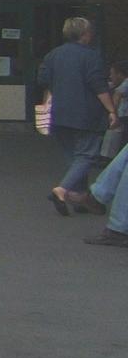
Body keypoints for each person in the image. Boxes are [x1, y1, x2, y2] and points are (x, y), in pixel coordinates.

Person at [38, 16, 114, 216]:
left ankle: (80, 198)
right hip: (86, 114)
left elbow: (44, 81)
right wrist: (111, 110)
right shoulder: (92, 56)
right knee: (87, 155)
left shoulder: (53, 55)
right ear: (86, 34)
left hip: (60, 113)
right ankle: (62, 190)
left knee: (73, 158)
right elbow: (98, 85)